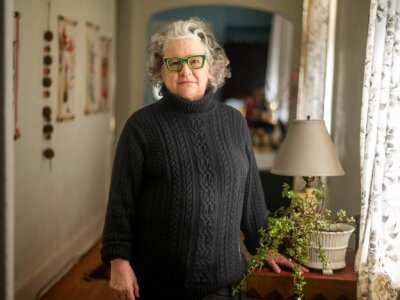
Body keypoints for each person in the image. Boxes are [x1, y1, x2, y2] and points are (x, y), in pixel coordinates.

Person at [101, 18, 303, 300]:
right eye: (174, 63)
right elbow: (121, 201)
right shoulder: (141, 127)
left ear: (211, 67)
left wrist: (265, 246)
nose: (185, 70)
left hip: (223, 285)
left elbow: (250, 195)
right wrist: (119, 261)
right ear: (162, 70)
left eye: (195, 61)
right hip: (156, 286)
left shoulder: (234, 122)